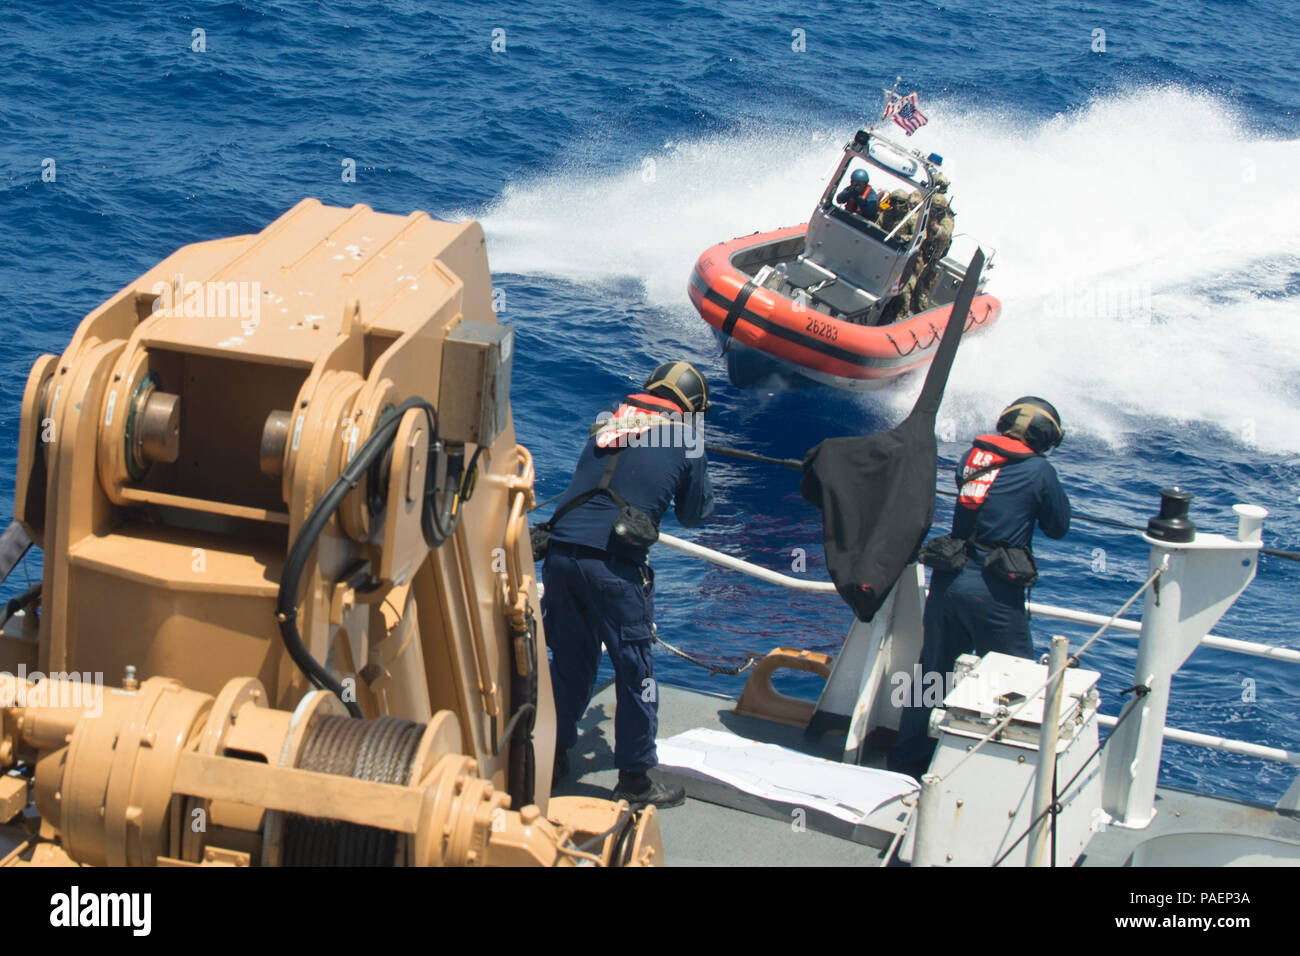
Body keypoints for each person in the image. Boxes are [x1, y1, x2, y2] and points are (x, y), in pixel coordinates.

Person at [541, 361, 715, 808]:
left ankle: (553, 757)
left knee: (570, 662)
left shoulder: (606, 421)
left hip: (560, 558)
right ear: (692, 407)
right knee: (636, 672)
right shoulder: (688, 436)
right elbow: (695, 514)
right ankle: (636, 780)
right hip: (613, 569)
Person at [888, 397, 1070, 779]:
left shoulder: (973, 454)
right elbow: (1058, 526)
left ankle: (907, 764)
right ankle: (1001, 776)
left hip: (949, 579)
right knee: (1015, 682)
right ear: (1044, 436)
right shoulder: (1039, 470)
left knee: (932, 675)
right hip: (994, 590)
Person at [911, 193, 955, 312]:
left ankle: (919, 313)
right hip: (918, 252)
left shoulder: (946, 221)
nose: (934, 211)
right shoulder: (925, 212)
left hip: (930, 259)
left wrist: (934, 225)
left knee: (921, 289)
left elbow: (944, 234)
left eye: (938, 209)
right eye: (933, 208)